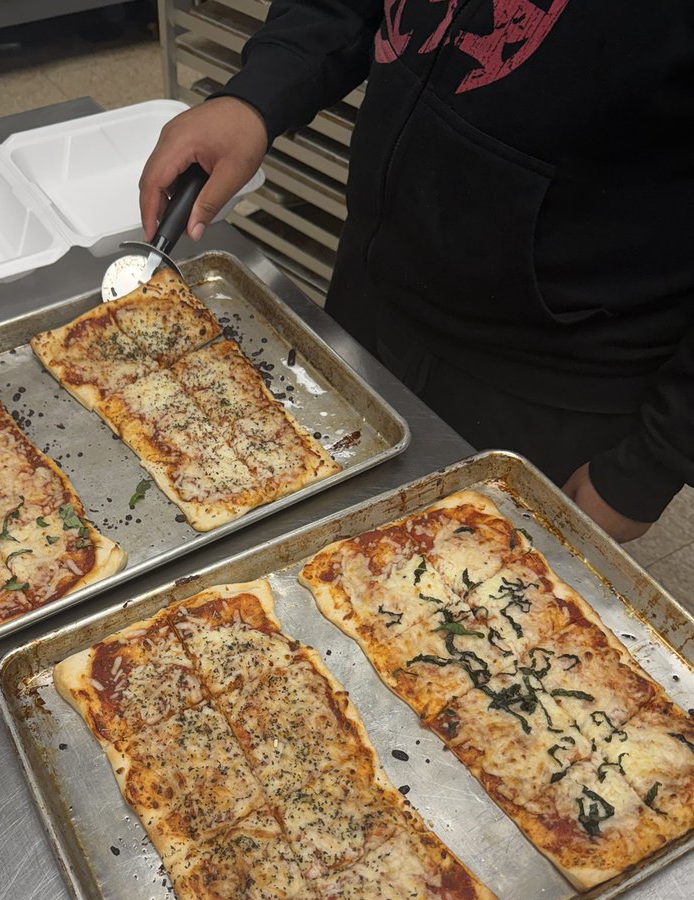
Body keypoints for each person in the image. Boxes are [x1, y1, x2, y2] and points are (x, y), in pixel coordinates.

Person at [139, 0, 694, 543]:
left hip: (546, 374)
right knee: (299, 525)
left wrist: (650, 466)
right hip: (371, 285)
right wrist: (260, 94)